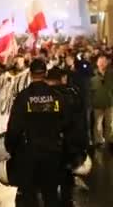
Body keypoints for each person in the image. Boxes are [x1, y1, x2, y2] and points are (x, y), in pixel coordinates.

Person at [5, 59, 75, 207]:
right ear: (45, 73)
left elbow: (14, 128)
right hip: (53, 152)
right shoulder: (57, 96)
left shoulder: (23, 97)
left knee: (29, 195)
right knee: (50, 194)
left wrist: (11, 149)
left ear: (30, 74)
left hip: (29, 153)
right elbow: (68, 122)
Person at [46, 68, 89, 207]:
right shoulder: (73, 93)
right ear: (63, 78)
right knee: (66, 175)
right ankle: (67, 200)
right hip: (70, 143)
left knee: (50, 175)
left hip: (50, 143)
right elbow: (81, 119)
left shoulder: (44, 95)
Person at [90, 55, 113, 147]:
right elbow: (90, 90)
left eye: (104, 62)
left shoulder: (111, 74)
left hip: (109, 103)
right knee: (98, 124)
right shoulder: (92, 75)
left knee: (109, 123)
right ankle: (99, 140)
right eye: (100, 62)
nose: (102, 64)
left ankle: (109, 140)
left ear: (107, 63)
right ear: (97, 63)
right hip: (97, 103)